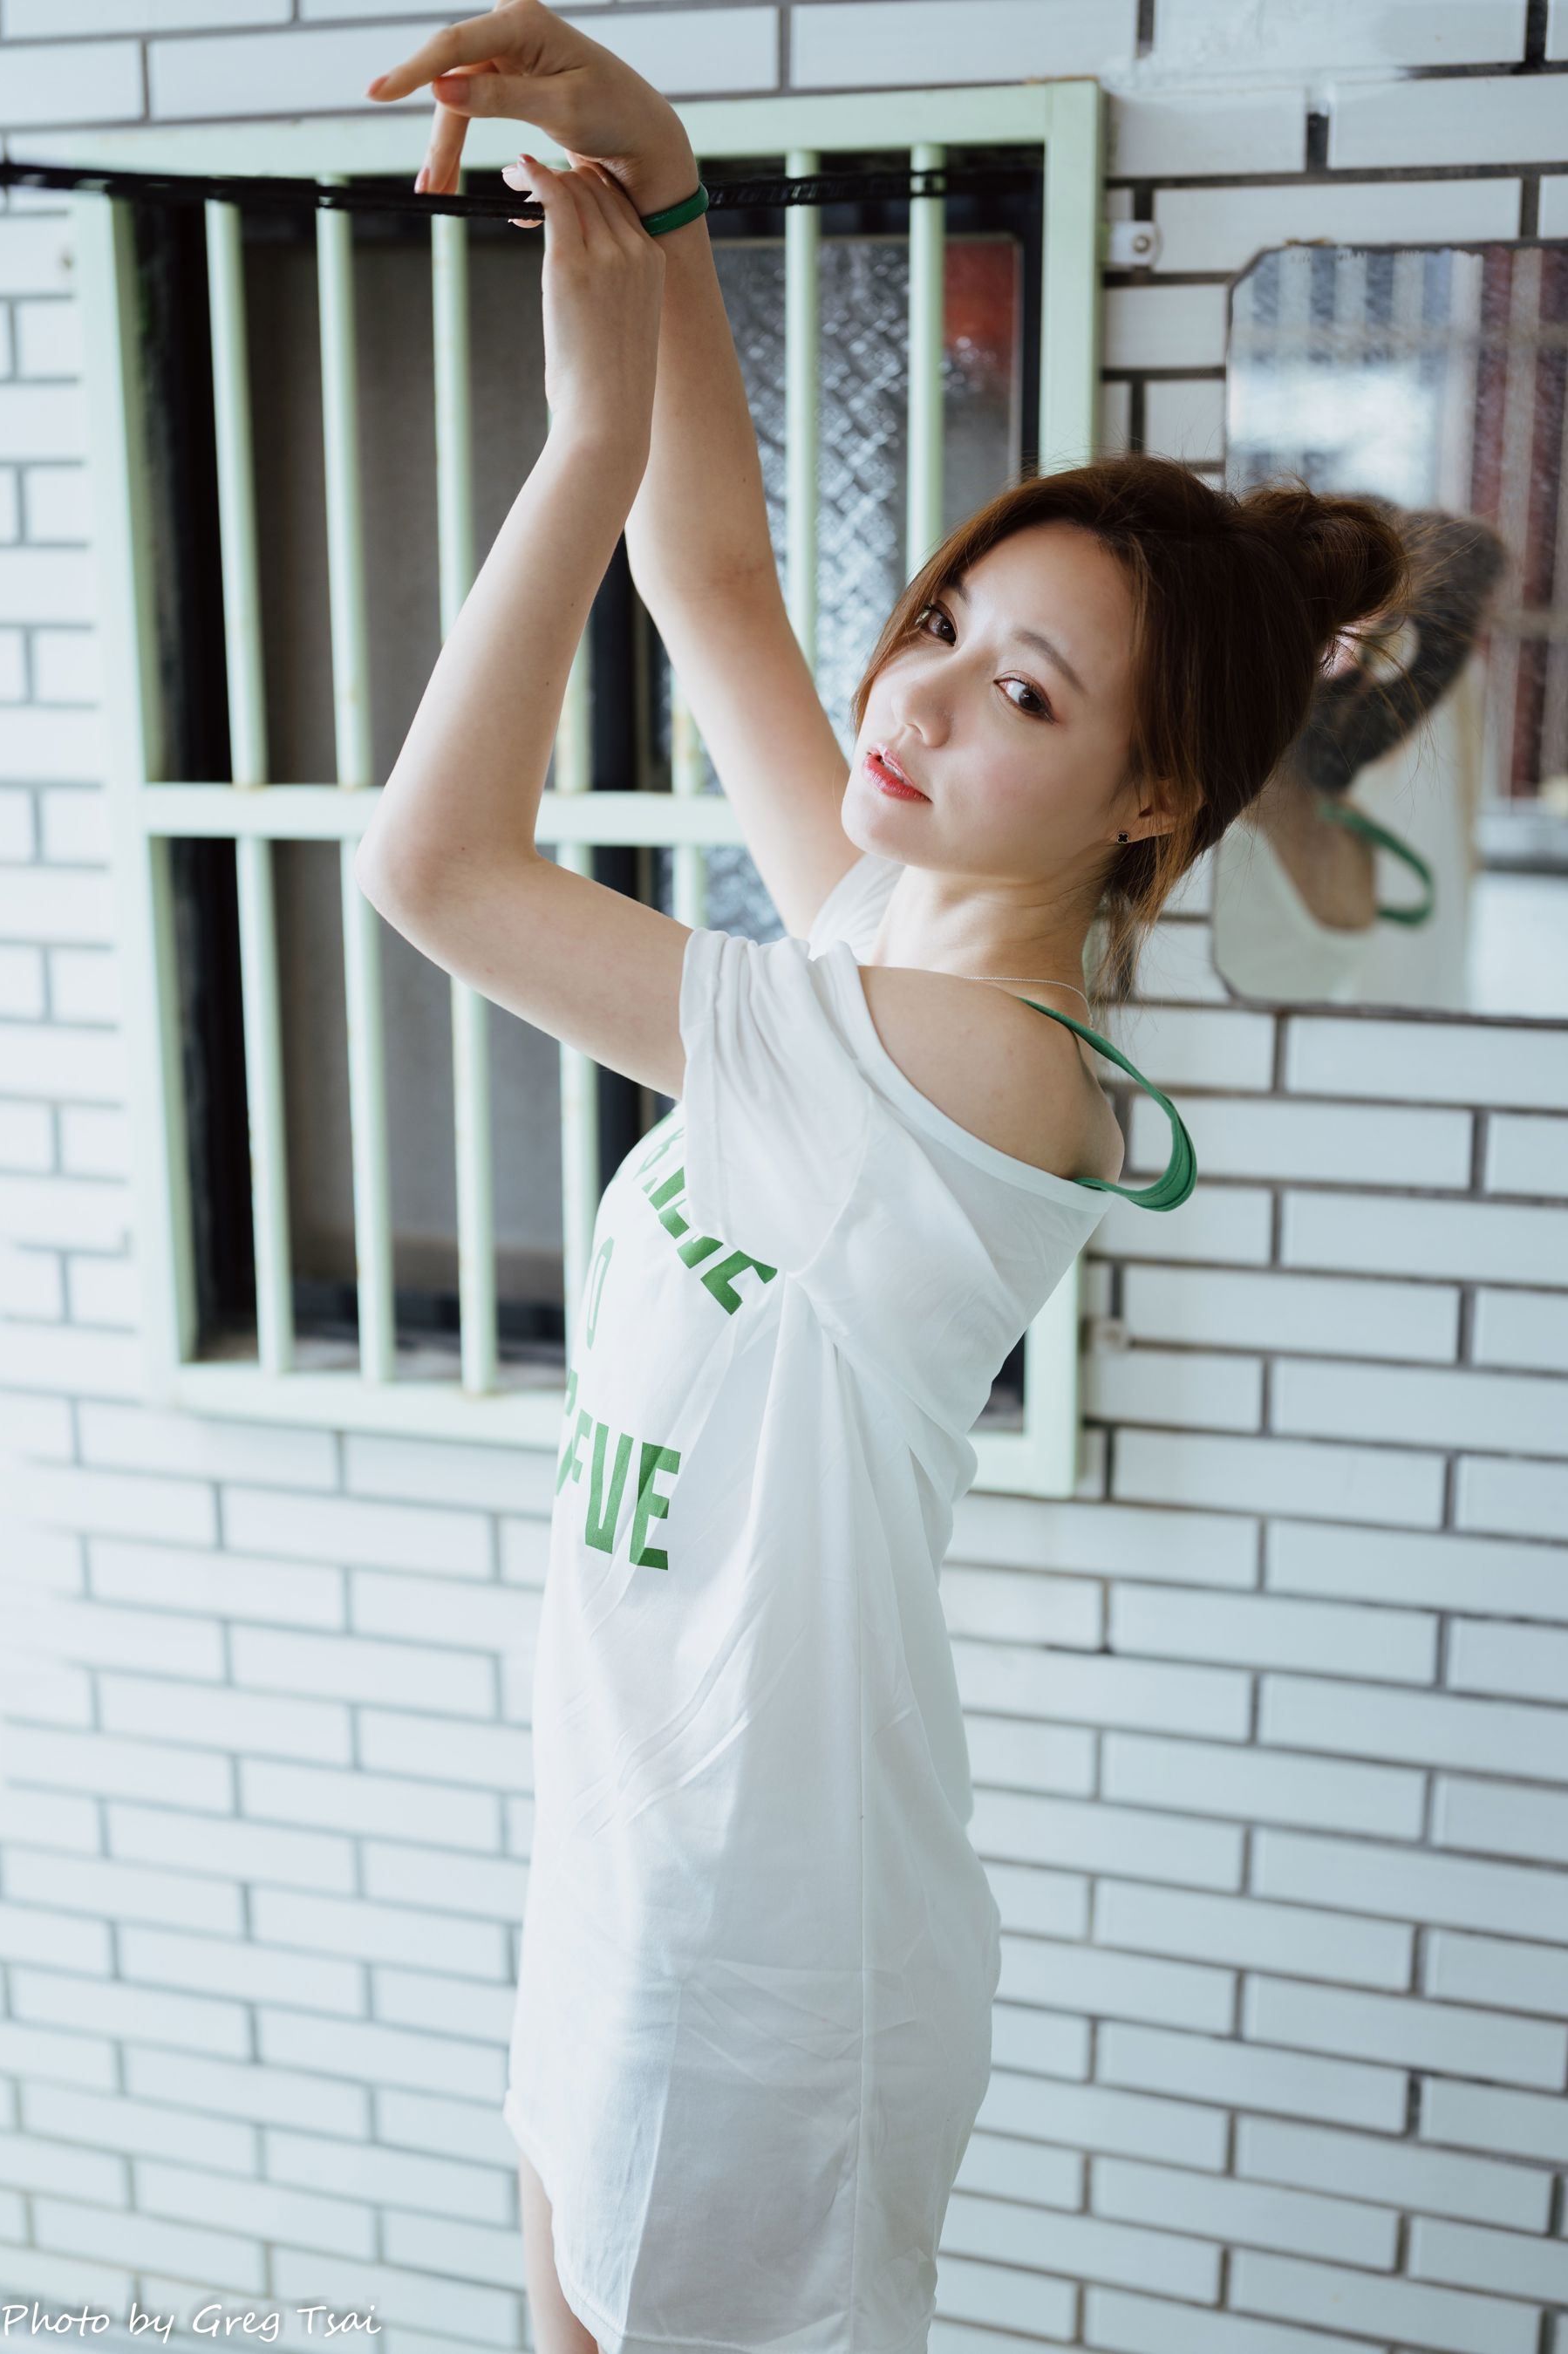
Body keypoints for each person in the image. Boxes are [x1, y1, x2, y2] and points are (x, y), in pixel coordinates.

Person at [358, 10, 1412, 2350]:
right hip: (636, 1857)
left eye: (1026, 693)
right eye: (941, 623)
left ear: (1153, 804)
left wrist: (584, 424)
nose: (916, 698)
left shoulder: (969, 1069)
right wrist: (667, 187)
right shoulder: (874, 933)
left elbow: (433, 867)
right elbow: (717, 581)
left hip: (772, 1960)